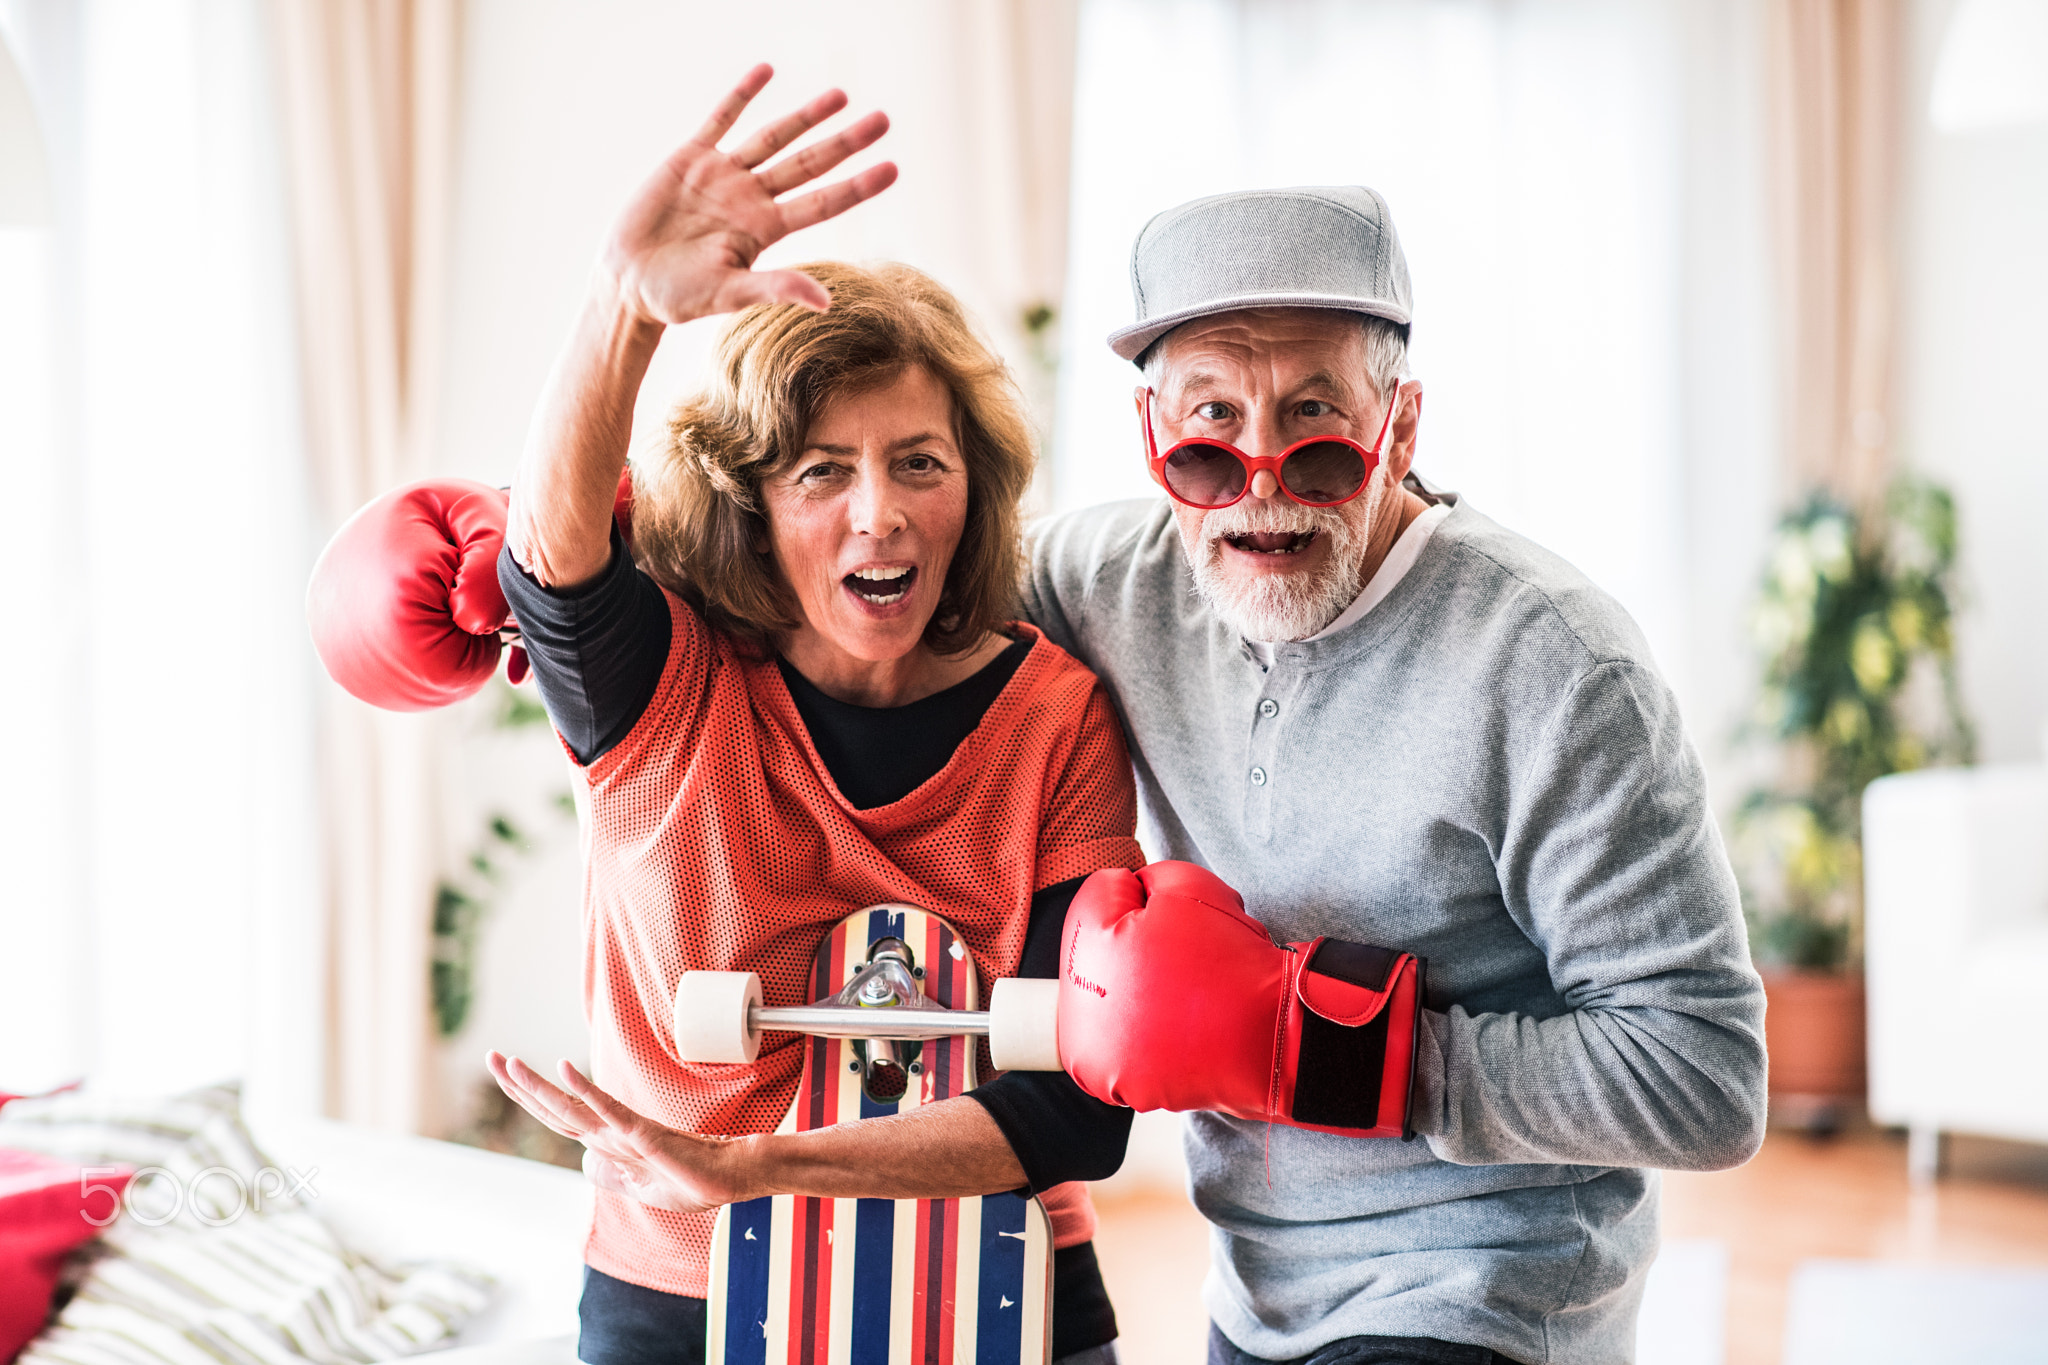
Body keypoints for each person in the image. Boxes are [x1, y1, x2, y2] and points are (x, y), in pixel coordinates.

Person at [565, 184, 1772, 1365]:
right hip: (1255, 1291)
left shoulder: (1555, 669)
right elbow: (868, 564)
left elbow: (1704, 1077)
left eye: (1314, 428)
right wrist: (539, 561)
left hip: (1480, 1287)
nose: (1259, 481)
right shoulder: (1110, 581)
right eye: (1208, 432)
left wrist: (1316, 1045)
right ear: (1149, 436)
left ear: (1399, 429)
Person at [472, 67, 1143, 1365]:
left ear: (972, 491)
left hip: (993, 1274)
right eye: (822, 473)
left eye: (918, 464)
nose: (877, 515)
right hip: (678, 1287)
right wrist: (621, 307)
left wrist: (757, 1166)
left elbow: (1076, 1109)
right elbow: (551, 568)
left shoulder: (1053, 715)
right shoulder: (664, 686)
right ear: (753, 508)